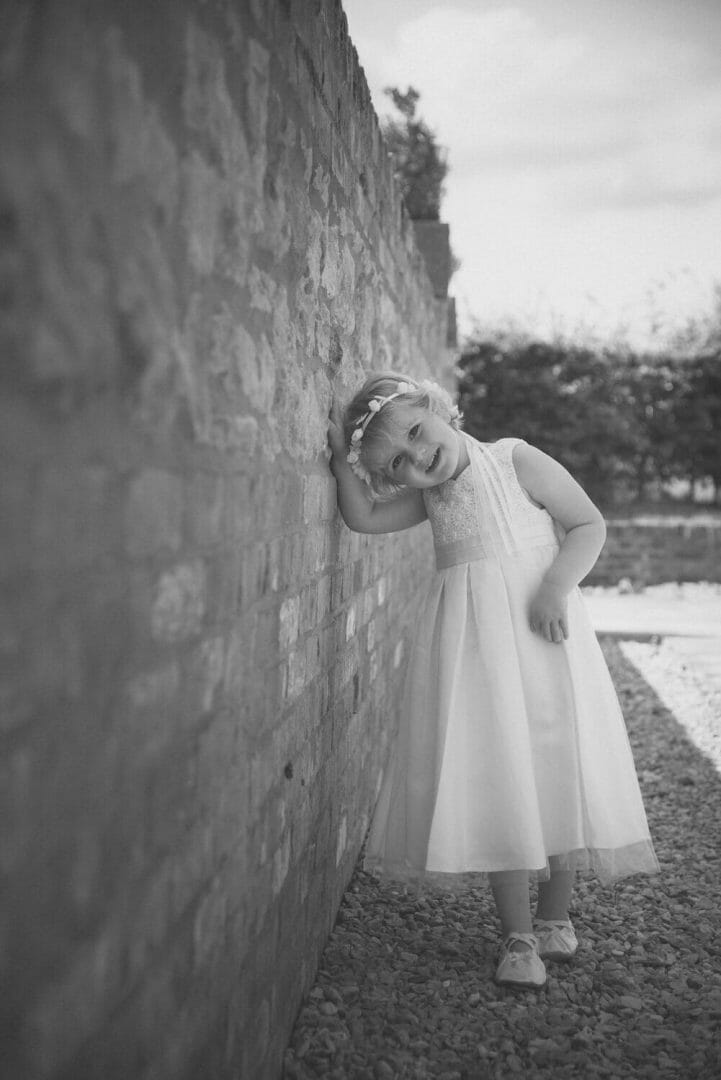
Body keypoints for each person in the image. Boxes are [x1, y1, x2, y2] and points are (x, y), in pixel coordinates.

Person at [327, 371, 659, 989]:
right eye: (398, 461)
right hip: (477, 656)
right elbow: (366, 518)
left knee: (558, 765)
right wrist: (344, 464)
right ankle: (516, 936)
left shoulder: (514, 459)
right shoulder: (429, 499)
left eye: (418, 434)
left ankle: (556, 916)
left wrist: (557, 586)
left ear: (439, 408)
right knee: (500, 773)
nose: (418, 458)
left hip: (545, 639)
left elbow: (588, 525)